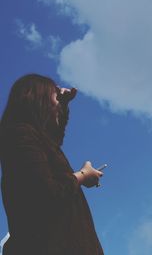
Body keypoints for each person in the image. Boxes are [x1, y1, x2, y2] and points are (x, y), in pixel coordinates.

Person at [0, 74, 104, 254]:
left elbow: (52, 139)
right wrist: (82, 176)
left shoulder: (30, 136)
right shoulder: (19, 135)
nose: (57, 102)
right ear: (37, 99)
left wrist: (63, 104)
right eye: (55, 96)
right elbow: (44, 191)